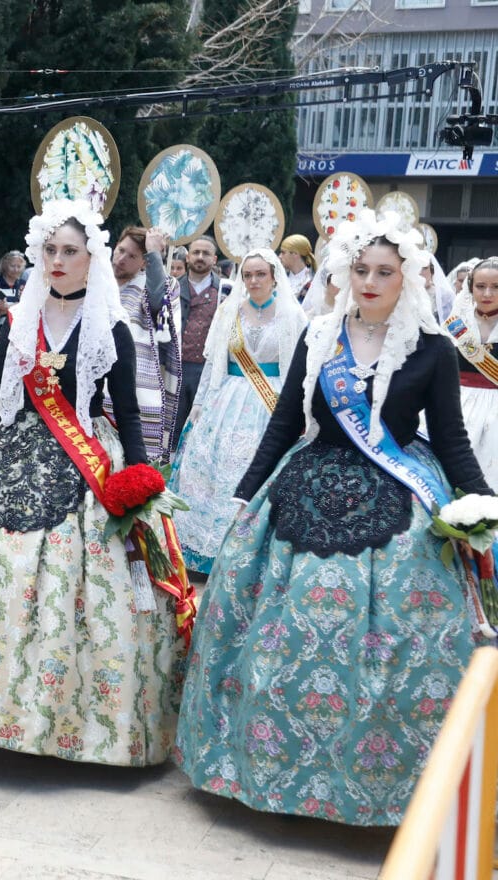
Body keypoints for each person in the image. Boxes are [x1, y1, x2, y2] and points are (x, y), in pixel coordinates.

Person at [175, 210, 492, 825]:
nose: (370, 281)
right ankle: (260, 767)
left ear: (409, 279)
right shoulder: (320, 334)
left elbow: (451, 440)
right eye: (360, 269)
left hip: (397, 493)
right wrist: (245, 495)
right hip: (305, 484)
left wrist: (480, 505)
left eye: (384, 272)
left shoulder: (431, 349)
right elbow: (285, 423)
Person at [0, 200, 192, 764]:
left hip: (83, 463)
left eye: (69, 252)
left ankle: (61, 722)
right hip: (9, 455)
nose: (57, 261)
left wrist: (139, 481)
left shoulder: (112, 330)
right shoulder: (20, 323)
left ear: (91, 260)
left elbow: (126, 414)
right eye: (49, 250)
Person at [167, 248, 306, 573]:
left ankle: (252, 556)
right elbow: (214, 362)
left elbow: (299, 371)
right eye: (248, 274)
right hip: (225, 400)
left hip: (270, 402)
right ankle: (208, 554)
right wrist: (199, 405)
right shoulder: (229, 312)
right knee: (212, 474)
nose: (254, 280)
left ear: (274, 277)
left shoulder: (292, 315)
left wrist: (296, 415)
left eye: (261, 274)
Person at [106, 225, 179, 466]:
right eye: (120, 250)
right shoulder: (97, 279)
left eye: (132, 256)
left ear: (144, 262)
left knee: (128, 463)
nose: (121, 259)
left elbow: (160, 303)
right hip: (96, 386)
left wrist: (155, 253)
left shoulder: (153, 285)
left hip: (134, 389)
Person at [439, 257, 498, 486]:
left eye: (495, 287)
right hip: (457, 404)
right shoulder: (456, 325)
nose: (487, 294)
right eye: (480, 286)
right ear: (470, 287)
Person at [173, 236, 229, 443]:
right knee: (172, 426)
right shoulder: (172, 287)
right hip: (175, 368)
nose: (200, 257)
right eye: (196, 252)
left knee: (199, 429)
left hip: (207, 370)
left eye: (205, 253)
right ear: (187, 257)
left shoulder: (225, 291)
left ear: (214, 259)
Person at [279, 234, 315, 302]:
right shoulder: (278, 279)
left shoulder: (313, 281)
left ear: (295, 253)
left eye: (283, 253)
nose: (280, 256)